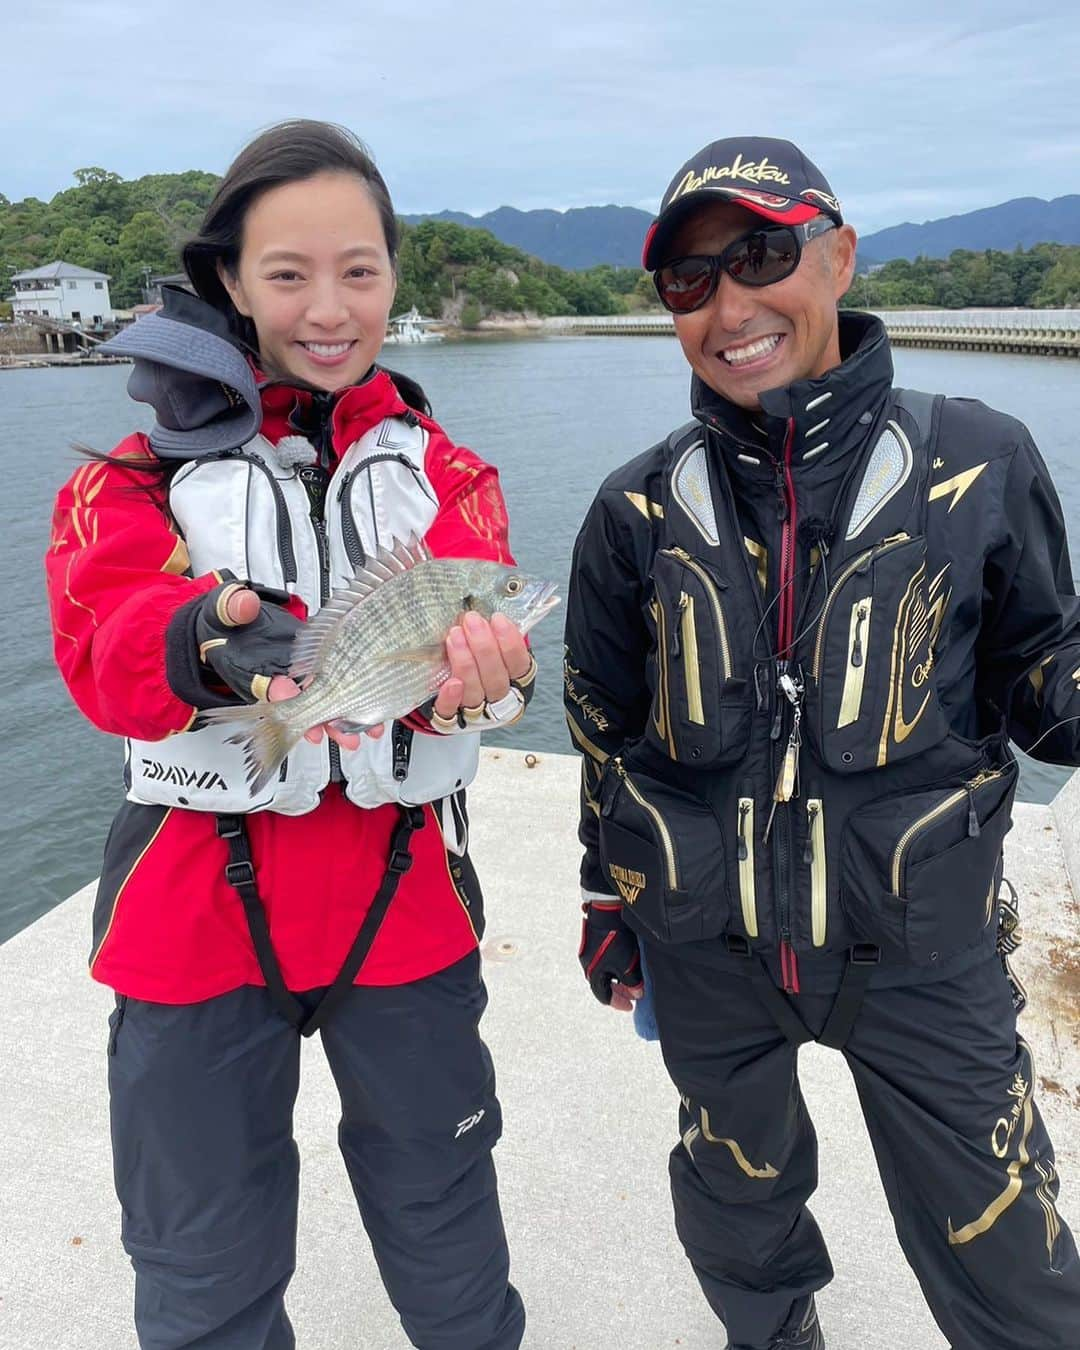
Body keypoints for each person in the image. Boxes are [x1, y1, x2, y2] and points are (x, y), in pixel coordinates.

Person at [564, 135, 1080, 1350]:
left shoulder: (982, 456)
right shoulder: (630, 508)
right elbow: (602, 726)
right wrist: (604, 899)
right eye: (691, 281)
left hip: (923, 948)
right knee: (737, 1210)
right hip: (704, 951)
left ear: (839, 256)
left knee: (1014, 1250)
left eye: (761, 254)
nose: (731, 306)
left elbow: (1046, 681)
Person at [46, 120, 529, 1350]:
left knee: (448, 1217)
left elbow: (466, 661)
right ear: (228, 283)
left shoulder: (450, 473)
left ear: (393, 277)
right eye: (289, 273)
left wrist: (479, 683)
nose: (330, 306)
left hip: (405, 896)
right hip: (193, 907)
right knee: (201, 1256)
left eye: (360, 271)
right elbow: (97, 645)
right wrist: (196, 637)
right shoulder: (133, 475)